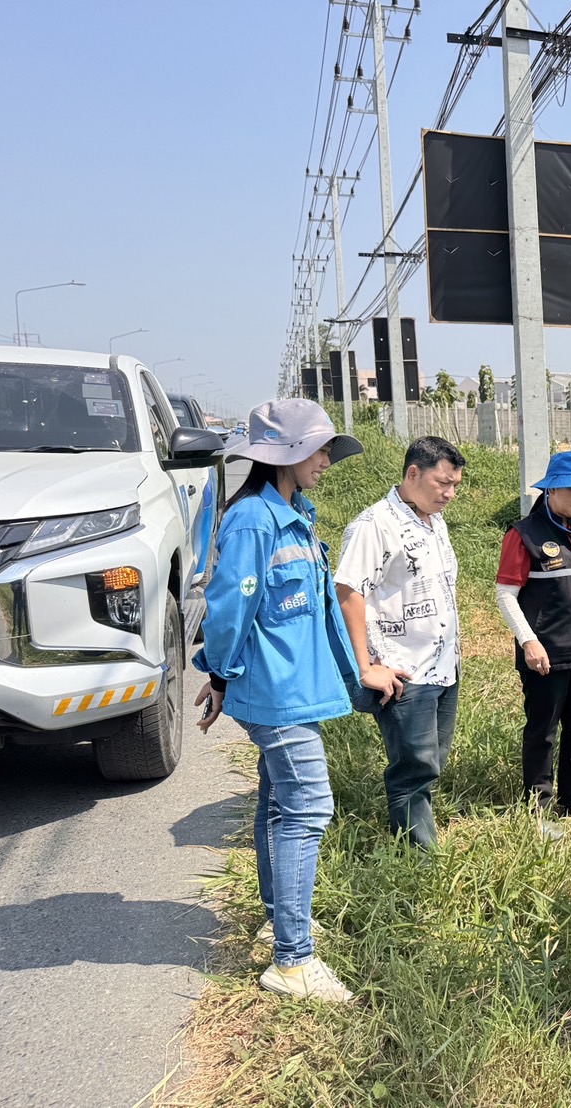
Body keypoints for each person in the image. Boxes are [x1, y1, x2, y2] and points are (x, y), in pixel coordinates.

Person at [193, 398, 363, 1003]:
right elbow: (227, 611)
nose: (325, 460)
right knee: (309, 808)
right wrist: (219, 676)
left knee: (277, 804)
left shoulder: (295, 512)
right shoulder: (254, 521)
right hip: (273, 692)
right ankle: (292, 960)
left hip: (294, 688)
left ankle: (281, 914)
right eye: (317, 449)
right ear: (284, 457)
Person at [335, 436, 465, 849]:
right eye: (442, 483)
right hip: (403, 669)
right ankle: (419, 859)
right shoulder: (375, 525)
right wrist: (366, 665)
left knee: (431, 761)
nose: (449, 493)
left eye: (455, 485)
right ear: (413, 473)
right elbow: (348, 592)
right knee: (413, 767)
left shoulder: (432, 519)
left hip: (443, 665)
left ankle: (416, 834)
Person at [494, 451, 571, 819]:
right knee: (543, 729)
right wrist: (528, 641)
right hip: (546, 654)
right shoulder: (524, 535)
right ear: (550, 490)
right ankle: (538, 804)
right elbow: (505, 594)